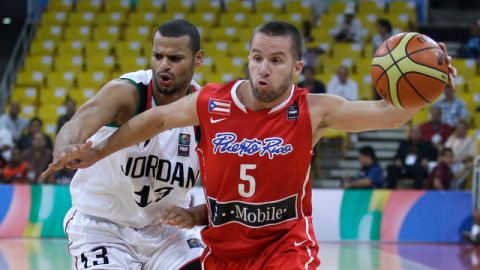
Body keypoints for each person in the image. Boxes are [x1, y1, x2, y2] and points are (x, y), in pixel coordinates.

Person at [45, 21, 456, 269]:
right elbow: (151, 119)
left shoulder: (314, 110)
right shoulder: (211, 102)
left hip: (284, 244)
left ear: (296, 68)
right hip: (220, 249)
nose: (263, 68)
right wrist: (95, 149)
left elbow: (388, 113)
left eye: (276, 61)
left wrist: (428, 86)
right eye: (257, 57)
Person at [42, 20, 205, 270]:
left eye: (175, 58)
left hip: (165, 233)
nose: (164, 65)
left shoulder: (205, 110)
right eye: (157, 55)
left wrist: (196, 215)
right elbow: (80, 121)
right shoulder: (128, 92)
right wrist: (65, 145)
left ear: (198, 59)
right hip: (102, 227)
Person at [444, 120, 477, 189]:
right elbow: (445, 151)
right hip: (448, 162)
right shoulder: (451, 138)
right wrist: (447, 160)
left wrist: (456, 161)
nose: (460, 130)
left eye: (462, 128)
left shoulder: (470, 140)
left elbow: (470, 156)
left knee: (456, 172)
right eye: (458, 128)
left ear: (466, 130)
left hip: (461, 163)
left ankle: (455, 191)